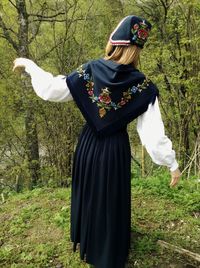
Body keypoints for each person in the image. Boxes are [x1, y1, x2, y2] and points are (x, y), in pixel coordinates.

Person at [13, 15, 181, 268]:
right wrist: (172, 163)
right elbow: (153, 135)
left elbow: (52, 89)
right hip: (115, 148)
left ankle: (88, 241)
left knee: (90, 193)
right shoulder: (144, 86)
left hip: (89, 144)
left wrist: (28, 64)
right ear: (137, 48)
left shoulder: (91, 70)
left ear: (115, 41)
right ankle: (108, 251)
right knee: (111, 197)